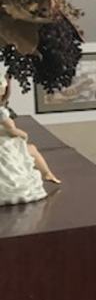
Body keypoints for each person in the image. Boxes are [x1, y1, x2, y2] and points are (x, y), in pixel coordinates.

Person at [0, 67, 59, 206]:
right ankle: (46, 173)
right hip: (4, 142)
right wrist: (23, 134)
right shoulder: (1, 113)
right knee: (31, 149)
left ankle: (47, 173)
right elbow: (12, 130)